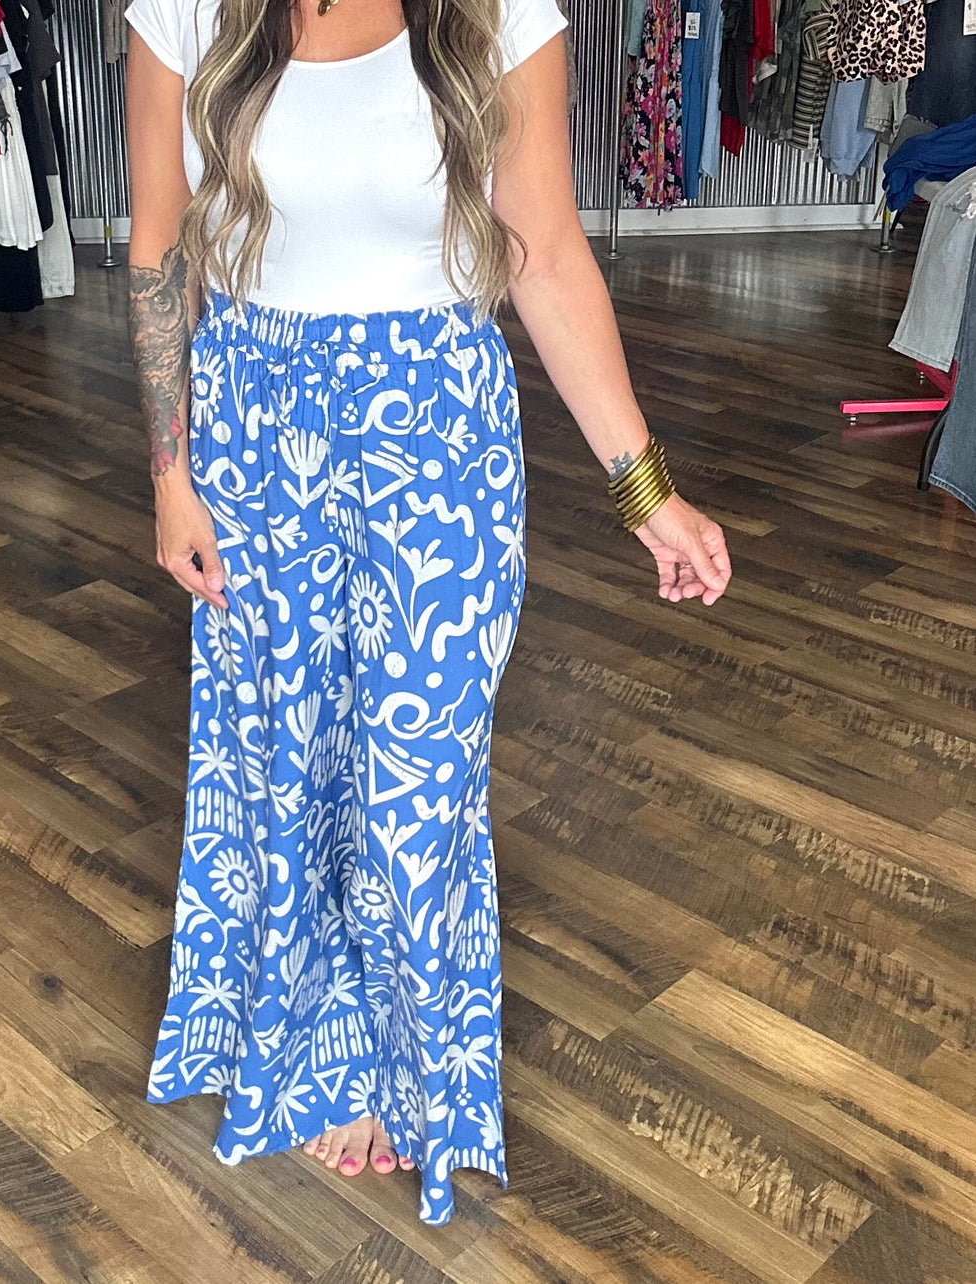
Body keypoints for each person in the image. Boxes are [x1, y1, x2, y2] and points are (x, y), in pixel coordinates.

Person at [123, 0, 732, 1227]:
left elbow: (542, 254)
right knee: (286, 758)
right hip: (253, 432)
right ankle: (323, 1044)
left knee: (417, 777)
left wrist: (646, 492)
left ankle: (405, 1062)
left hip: (441, 435)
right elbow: (157, 246)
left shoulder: (500, 13)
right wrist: (169, 477)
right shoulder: (182, 9)